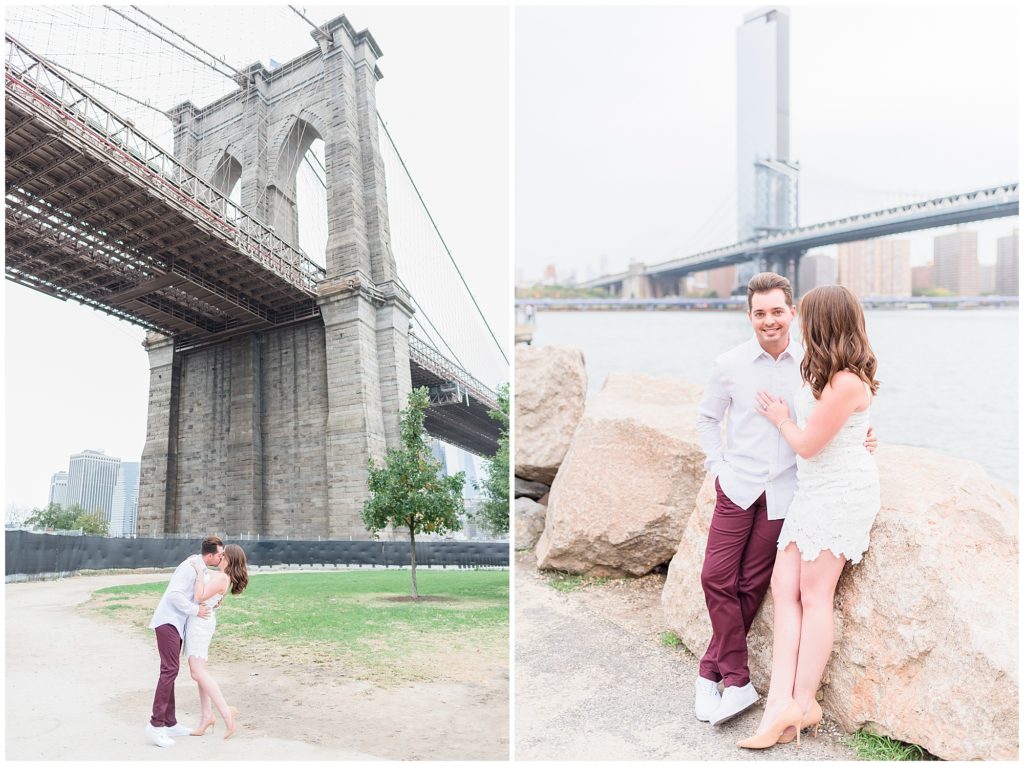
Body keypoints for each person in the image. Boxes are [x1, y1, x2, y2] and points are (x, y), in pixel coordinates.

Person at [693, 273, 876, 728]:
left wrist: (863, 436)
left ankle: (721, 677)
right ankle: (728, 676)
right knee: (716, 578)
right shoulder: (729, 363)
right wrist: (717, 469)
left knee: (754, 585)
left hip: (788, 493)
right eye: (760, 313)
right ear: (749, 316)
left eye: (778, 311)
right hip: (738, 486)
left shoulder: (812, 363)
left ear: (793, 314)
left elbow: (834, 415)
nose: (770, 320)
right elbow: (706, 418)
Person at [736, 284, 881, 749]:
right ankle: (780, 700)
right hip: (815, 489)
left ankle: (803, 700)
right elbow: (833, 434)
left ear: (822, 322)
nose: (795, 323)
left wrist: (780, 417)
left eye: (805, 317)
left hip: (840, 493)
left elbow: (807, 443)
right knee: (784, 587)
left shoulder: (845, 382)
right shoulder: (826, 371)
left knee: (815, 593)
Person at [146, 536, 223, 748]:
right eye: (220, 555)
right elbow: (174, 596)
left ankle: (169, 723)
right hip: (168, 622)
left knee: (171, 670)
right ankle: (155, 725)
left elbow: (201, 593)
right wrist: (195, 610)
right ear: (210, 555)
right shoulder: (190, 567)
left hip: (177, 625)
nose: (222, 558)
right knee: (169, 670)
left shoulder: (201, 567)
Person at [186, 543, 249, 740]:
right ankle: (207, 716)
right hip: (202, 620)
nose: (220, 556)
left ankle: (225, 713)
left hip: (200, 623)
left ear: (228, 558)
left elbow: (199, 596)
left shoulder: (222, 576)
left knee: (198, 672)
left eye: (223, 554)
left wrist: (197, 572)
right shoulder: (221, 576)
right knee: (199, 673)